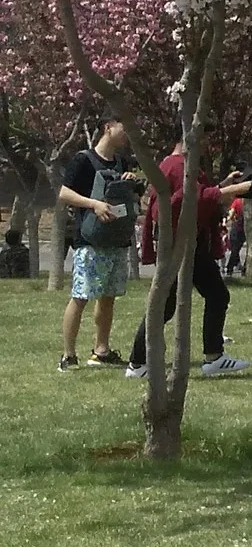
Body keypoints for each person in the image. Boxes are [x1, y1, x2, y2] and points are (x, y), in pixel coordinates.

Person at [129, 150, 252, 379]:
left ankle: (213, 357)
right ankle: (139, 363)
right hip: (180, 245)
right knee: (169, 304)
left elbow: (198, 196)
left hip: (190, 243)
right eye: (203, 137)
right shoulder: (176, 165)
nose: (206, 144)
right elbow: (186, 200)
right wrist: (231, 190)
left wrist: (223, 185)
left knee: (212, 295)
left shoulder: (182, 164)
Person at [55, 122, 144, 370]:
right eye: (123, 127)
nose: (127, 134)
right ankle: (68, 355)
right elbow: (64, 194)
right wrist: (94, 204)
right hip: (90, 241)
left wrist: (131, 182)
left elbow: (131, 198)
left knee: (108, 297)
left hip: (116, 239)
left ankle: (101, 350)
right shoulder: (83, 160)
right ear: (108, 127)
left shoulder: (121, 162)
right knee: (81, 296)